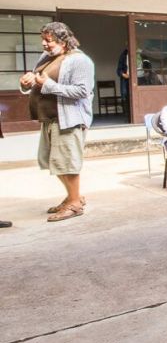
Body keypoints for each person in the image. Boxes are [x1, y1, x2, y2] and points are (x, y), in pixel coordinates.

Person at [18, 22, 94, 222]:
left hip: (68, 120)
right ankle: (73, 196)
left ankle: (75, 204)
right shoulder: (48, 57)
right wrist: (27, 83)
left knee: (67, 163)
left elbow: (81, 91)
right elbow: (38, 80)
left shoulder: (79, 60)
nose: (44, 44)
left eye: (48, 40)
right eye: (43, 39)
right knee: (51, 161)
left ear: (63, 40)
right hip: (49, 118)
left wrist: (48, 85)